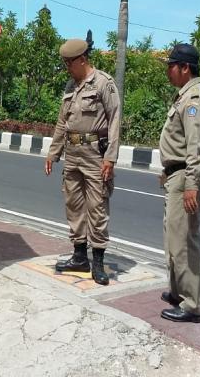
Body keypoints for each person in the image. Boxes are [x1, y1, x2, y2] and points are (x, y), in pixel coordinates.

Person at [45, 37, 121, 285]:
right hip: (72, 153)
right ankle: (79, 256)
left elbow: (115, 121)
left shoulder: (103, 83)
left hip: (94, 154)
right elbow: (61, 122)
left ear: (82, 59)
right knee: (74, 204)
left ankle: (97, 262)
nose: (67, 67)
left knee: (97, 207)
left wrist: (110, 157)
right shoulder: (71, 86)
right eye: (65, 63)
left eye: (69, 62)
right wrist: (53, 152)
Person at [158, 43, 200, 323]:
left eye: (171, 66)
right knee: (173, 237)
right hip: (178, 175)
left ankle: (192, 305)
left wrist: (191, 183)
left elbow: (195, 148)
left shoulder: (194, 100)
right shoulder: (184, 97)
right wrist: (168, 170)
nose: (168, 72)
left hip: (187, 177)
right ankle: (179, 291)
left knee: (184, 240)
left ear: (185, 68)